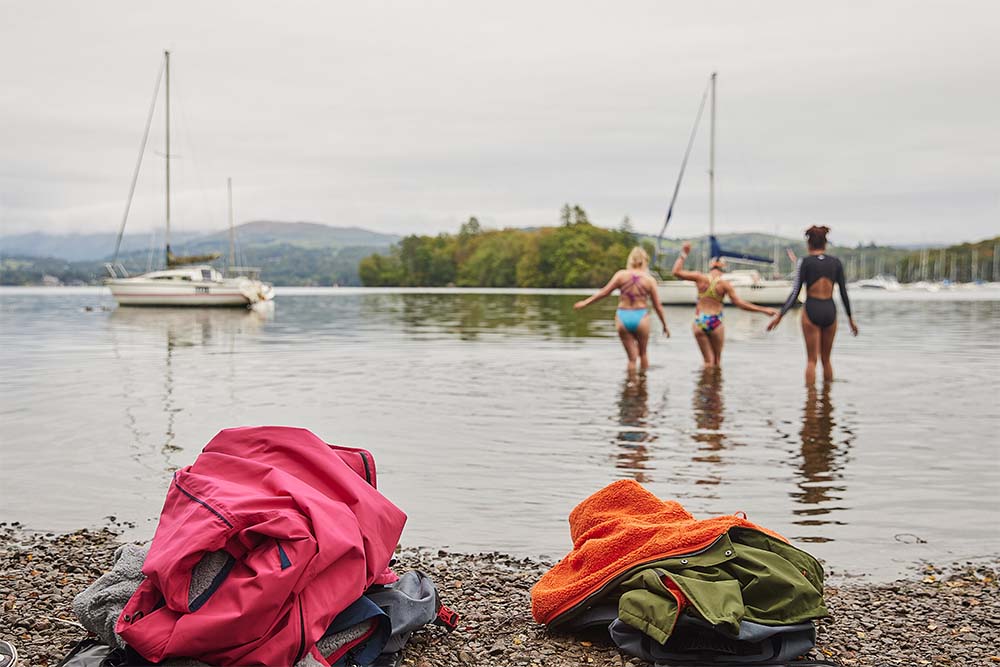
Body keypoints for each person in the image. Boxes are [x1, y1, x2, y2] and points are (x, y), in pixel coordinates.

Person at [767, 225, 858, 384]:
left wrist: (780, 316)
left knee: (811, 361)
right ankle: (827, 401)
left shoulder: (805, 262)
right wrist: (851, 319)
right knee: (826, 360)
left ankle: (810, 402)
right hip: (830, 310)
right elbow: (843, 293)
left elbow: (795, 292)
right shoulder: (836, 263)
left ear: (809, 243)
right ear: (825, 243)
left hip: (812, 309)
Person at [671, 241, 778, 367]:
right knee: (716, 361)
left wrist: (684, 253)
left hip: (699, 321)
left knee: (707, 362)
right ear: (723, 269)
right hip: (715, 321)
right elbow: (740, 303)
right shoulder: (724, 284)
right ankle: (715, 386)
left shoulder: (700, 278)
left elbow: (676, 272)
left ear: (711, 267)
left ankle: (703, 386)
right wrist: (763, 310)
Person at [574, 247, 670, 372]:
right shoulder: (649, 280)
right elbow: (658, 306)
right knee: (643, 354)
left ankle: (630, 385)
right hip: (641, 317)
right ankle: (642, 386)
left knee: (632, 359)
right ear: (645, 261)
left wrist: (585, 303)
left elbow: (604, 293)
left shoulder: (621, 275)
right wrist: (664, 325)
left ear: (631, 260)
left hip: (623, 317)